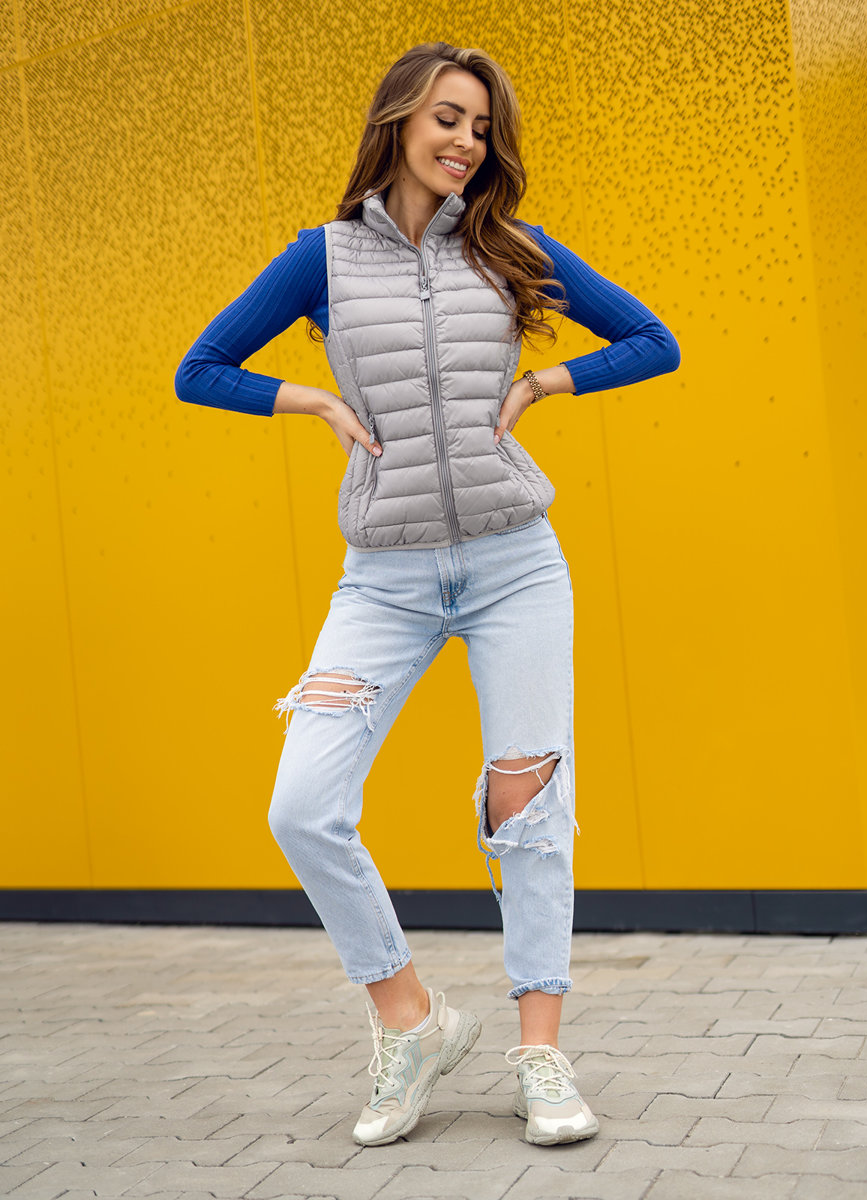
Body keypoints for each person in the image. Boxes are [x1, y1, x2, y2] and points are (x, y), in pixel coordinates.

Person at [175, 41, 680, 1147]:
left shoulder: (511, 248)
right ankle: (411, 1019)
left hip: (515, 567)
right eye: (449, 118)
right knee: (302, 805)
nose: (466, 142)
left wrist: (547, 380)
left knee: (529, 812)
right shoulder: (321, 258)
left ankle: (540, 1053)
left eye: (482, 128)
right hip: (384, 579)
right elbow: (198, 370)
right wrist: (314, 402)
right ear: (399, 117)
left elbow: (656, 342)